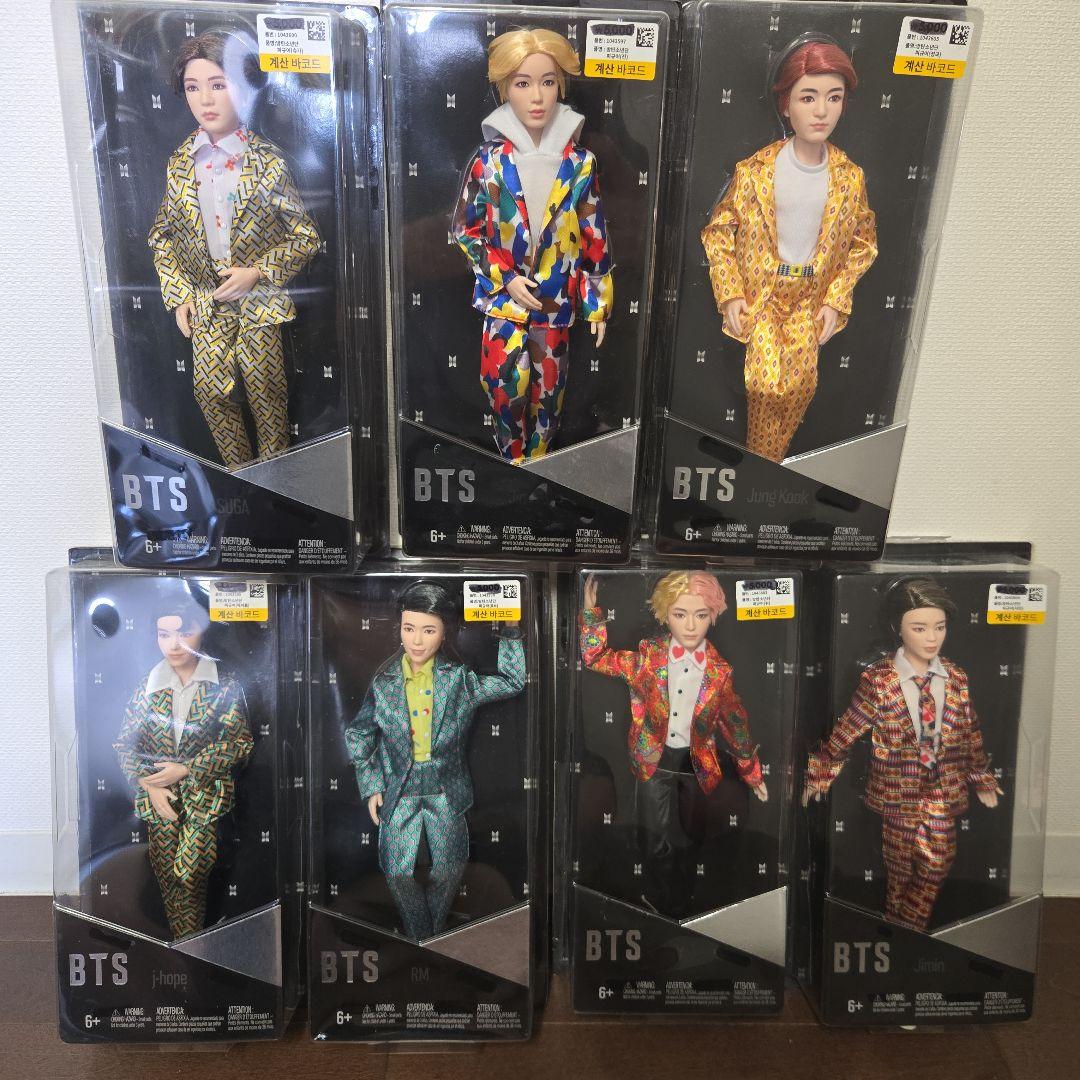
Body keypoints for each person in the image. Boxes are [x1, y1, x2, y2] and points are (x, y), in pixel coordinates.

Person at [148, 30, 321, 469]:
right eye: (193, 87)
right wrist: (179, 294)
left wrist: (257, 273)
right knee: (210, 394)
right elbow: (162, 235)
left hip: (258, 306)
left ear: (242, 89)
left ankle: (276, 480)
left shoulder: (268, 163)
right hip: (208, 305)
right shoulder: (180, 163)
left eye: (218, 85)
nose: (205, 99)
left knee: (268, 398)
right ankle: (238, 477)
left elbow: (305, 236)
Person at [701, 38, 877, 463]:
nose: (821, 111)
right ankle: (764, 463)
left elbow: (862, 244)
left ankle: (768, 465)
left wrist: (836, 299)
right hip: (763, 295)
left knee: (800, 387)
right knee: (763, 385)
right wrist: (731, 293)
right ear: (785, 105)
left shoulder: (849, 178)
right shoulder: (755, 172)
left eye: (834, 98)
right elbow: (719, 233)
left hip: (809, 299)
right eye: (808, 97)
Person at [804, 577, 1002, 932]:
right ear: (898, 628)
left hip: (941, 792)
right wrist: (820, 774)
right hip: (896, 793)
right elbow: (849, 728)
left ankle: (905, 927)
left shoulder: (956, 678)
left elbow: (970, 731)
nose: (932, 638)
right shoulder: (879, 680)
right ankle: (900, 937)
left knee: (938, 862)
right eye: (919, 628)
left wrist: (981, 776)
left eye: (940, 627)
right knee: (897, 874)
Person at [453, 28, 612, 461]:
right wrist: (504, 278)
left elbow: (594, 233)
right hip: (504, 303)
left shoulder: (580, 164)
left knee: (549, 395)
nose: (537, 96)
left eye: (548, 81)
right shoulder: (489, 162)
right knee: (505, 386)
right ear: (505, 89)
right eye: (523, 83)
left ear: (561, 85)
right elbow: (466, 230)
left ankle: (541, 465)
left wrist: (597, 301)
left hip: (554, 301)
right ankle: (511, 461)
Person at [345, 582, 527, 940]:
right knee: (397, 871)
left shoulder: (458, 680)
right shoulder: (384, 683)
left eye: (428, 630)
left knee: (448, 869)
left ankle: (434, 935)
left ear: (445, 634)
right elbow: (359, 732)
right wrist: (372, 784)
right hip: (399, 790)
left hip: (446, 790)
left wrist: (510, 628)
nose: (416, 641)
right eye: (408, 628)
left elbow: (512, 681)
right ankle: (422, 937)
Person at [580, 571, 767, 918]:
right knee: (652, 837)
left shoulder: (719, 672)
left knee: (696, 836)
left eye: (701, 615)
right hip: (653, 758)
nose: (691, 625)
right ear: (665, 615)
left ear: (713, 615)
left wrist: (750, 771)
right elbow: (596, 658)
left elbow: (735, 721)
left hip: (697, 763)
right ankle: (662, 901)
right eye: (680, 614)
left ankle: (691, 900)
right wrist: (591, 614)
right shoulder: (647, 660)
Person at [114, 595, 252, 939]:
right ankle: (188, 945)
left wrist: (189, 768)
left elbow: (240, 742)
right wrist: (148, 784)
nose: (174, 645)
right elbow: (124, 745)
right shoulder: (147, 688)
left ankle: (189, 945)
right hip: (159, 802)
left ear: (201, 631)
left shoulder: (224, 685)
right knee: (167, 878)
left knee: (189, 874)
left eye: (184, 633)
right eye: (164, 635)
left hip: (206, 798)